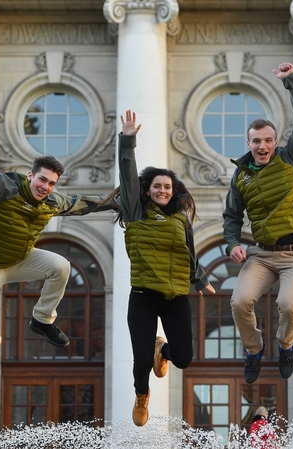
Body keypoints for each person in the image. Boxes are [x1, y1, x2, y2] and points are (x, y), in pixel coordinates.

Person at [0, 134, 114, 379]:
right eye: (42, 180)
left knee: (61, 266)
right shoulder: (3, 188)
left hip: (20, 259)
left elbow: (78, 203)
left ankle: (42, 320)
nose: (45, 187)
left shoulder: (51, 201)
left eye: (51, 183)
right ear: (31, 175)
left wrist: (113, 203)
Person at [110, 110, 215, 426]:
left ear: (174, 189)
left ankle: (163, 350)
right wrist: (128, 139)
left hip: (174, 299)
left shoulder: (181, 218)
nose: (162, 191)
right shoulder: (135, 210)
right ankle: (142, 396)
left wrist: (200, 279)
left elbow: (189, 254)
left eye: (167, 187)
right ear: (148, 189)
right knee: (141, 362)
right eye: (157, 186)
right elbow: (128, 174)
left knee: (183, 358)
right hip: (143, 296)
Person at [222, 61, 293, 384]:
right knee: (239, 301)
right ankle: (254, 350)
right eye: (256, 141)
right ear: (248, 144)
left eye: (267, 140)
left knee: (288, 306)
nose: (262, 146)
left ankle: (286, 346)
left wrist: (291, 82)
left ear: (276, 143)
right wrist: (233, 244)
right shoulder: (242, 175)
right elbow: (232, 216)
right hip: (262, 254)